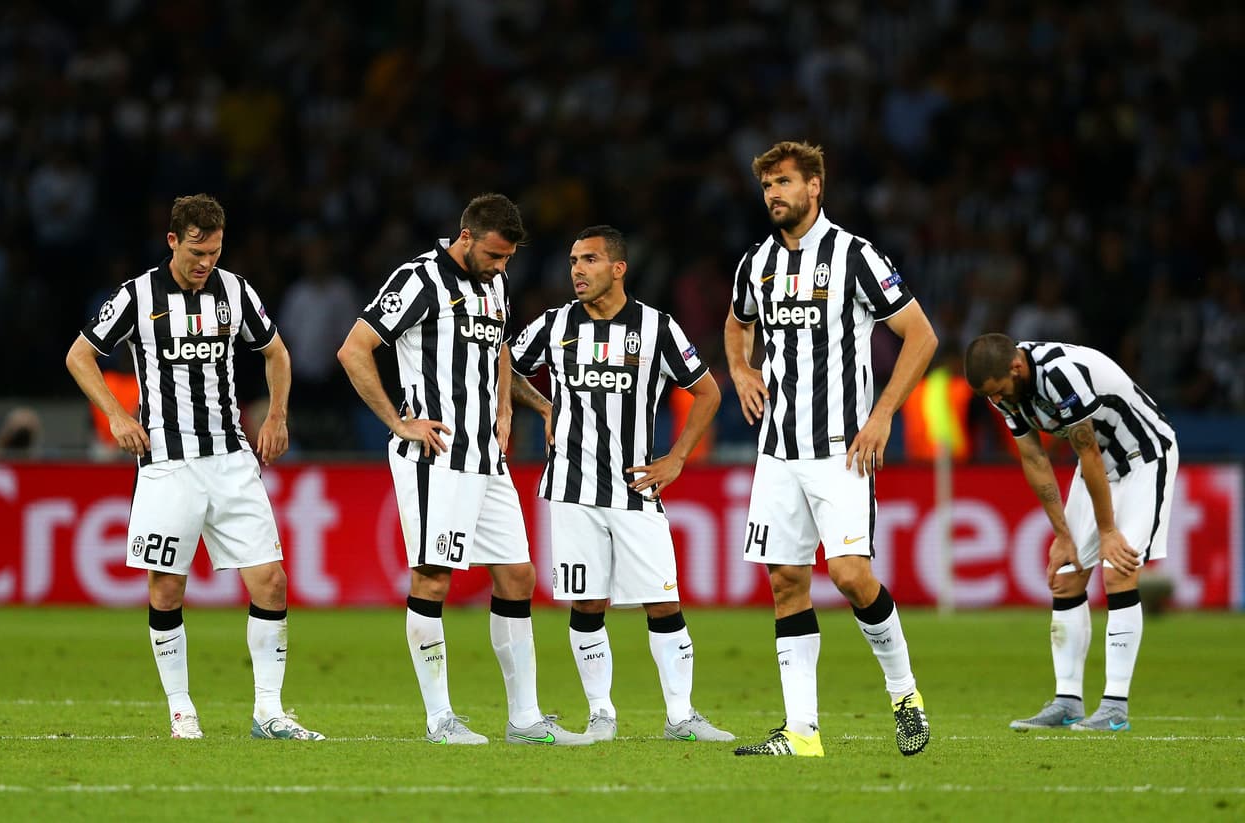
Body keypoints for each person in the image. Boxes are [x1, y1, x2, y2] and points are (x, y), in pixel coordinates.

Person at [64, 193, 324, 741]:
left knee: (271, 583)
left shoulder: (235, 290)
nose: (206, 262)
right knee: (167, 589)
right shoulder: (137, 295)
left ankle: (268, 712)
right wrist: (115, 415)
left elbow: (276, 351)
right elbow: (79, 355)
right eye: (197, 252)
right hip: (166, 463)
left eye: (215, 251)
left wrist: (277, 416)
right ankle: (181, 709)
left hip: (231, 459)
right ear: (173, 241)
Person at [337, 193, 591, 746]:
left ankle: (524, 720)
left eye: (509, 259)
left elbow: (498, 349)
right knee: (434, 577)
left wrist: (512, 405)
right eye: (496, 256)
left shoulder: (494, 284)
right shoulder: (418, 280)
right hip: (437, 456)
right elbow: (354, 350)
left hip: (486, 457)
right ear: (467, 236)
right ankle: (439, 720)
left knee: (518, 575)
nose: (503, 268)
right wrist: (400, 423)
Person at [724, 140, 937, 758]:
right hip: (777, 451)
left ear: (815, 186)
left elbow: (920, 336)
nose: (774, 195)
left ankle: (905, 695)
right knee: (787, 582)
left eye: (784, 183)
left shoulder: (856, 257)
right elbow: (737, 322)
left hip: (843, 446)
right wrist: (740, 369)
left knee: (849, 575)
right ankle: (801, 732)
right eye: (767, 186)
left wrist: (884, 414)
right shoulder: (755, 263)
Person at [509, 225, 734, 743]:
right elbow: (505, 364)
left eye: (589, 260)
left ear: (618, 268)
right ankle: (600, 714)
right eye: (572, 261)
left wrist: (677, 458)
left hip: (635, 489)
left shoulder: (657, 328)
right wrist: (542, 406)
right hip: (570, 489)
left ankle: (681, 716)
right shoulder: (553, 324)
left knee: (663, 600)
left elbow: (707, 393)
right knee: (586, 604)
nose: (577, 271)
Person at [963, 333, 1179, 732]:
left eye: (999, 391)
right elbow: (1033, 457)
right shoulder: (1002, 391)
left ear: (1016, 368)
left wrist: (1108, 530)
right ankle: (1067, 701)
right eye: (990, 396)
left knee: (1118, 571)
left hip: (1143, 457)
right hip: (1097, 467)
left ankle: (1114, 707)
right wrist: (1062, 535)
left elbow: (1088, 450)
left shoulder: (1059, 373)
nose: (1000, 400)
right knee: (1066, 578)